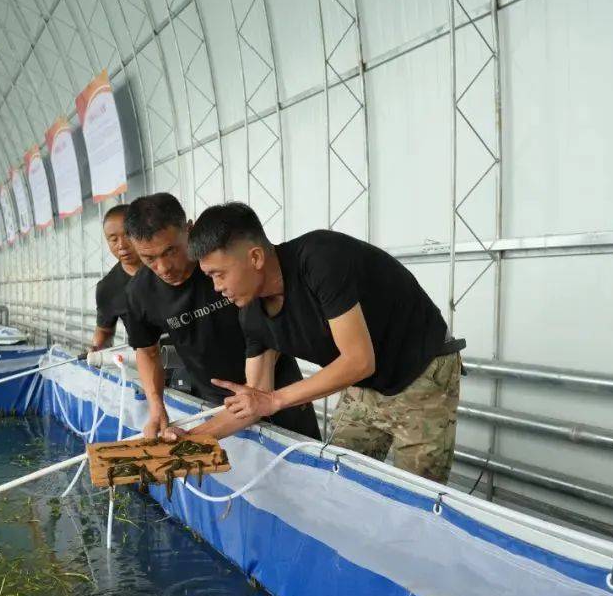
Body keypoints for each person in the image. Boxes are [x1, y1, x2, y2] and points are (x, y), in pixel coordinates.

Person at [185, 202, 464, 484]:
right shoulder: (251, 316)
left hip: (422, 372)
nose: (217, 288)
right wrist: (191, 439)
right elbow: (255, 399)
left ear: (255, 257)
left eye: (219, 274)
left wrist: (274, 400)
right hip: (365, 386)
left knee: (418, 496)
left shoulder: (320, 259)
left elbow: (358, 361)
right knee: (338, 480)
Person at [122, 193, 321, 441]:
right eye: (149, 258)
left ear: (189, 230)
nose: (163, 268)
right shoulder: (139, 293)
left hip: (279, 388)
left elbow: (275, 306)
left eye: (171, 251)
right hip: (217, 403)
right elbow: (147, 350)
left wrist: (262, 391)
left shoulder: (233, 262)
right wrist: (156, 405)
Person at [90, 204, 140, 352]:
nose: (122, 245)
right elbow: (104, 331)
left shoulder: (166, 267)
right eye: (113, 239)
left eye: (128, 235)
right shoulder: (108, 288)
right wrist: (97, 348)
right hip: (153, 364)